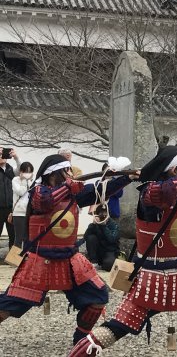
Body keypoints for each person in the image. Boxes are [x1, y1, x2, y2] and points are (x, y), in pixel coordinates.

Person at [70, 146, 177, 357]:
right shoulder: (149, 191)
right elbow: (165, 193)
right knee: (116, 328)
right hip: (152, 278)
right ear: (174, 170)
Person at [0, 154, 133, 344]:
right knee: (10, 304)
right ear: (56, 172)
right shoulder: (38, 191)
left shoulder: (72, 193)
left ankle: (81, 340)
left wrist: (126, 178)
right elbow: (44, 202)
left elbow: (98, 190)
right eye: (67, 170)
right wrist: (68, 187)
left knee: (98, 297)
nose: (70, 173)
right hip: (39, 261)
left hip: (70, 260)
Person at [10, 161, 34, 249]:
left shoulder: (32, 182)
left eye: (30, 171)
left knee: (28, 238)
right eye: (26, 171)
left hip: (29, 213)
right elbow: (20, 192)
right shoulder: (15, 180)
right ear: (21, 171)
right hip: (19, 213)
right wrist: (24, 180)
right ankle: (15, 262)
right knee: (18, 239)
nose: (28, 174)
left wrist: (29, 181)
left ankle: (26, 261)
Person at [0, 147, 20, 248]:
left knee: (14, 236)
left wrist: (16, 157)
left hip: (11, 209)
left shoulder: (11, 169)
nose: (1, 155)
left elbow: (22, 171)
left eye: (2, 152)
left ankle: (13, 261)